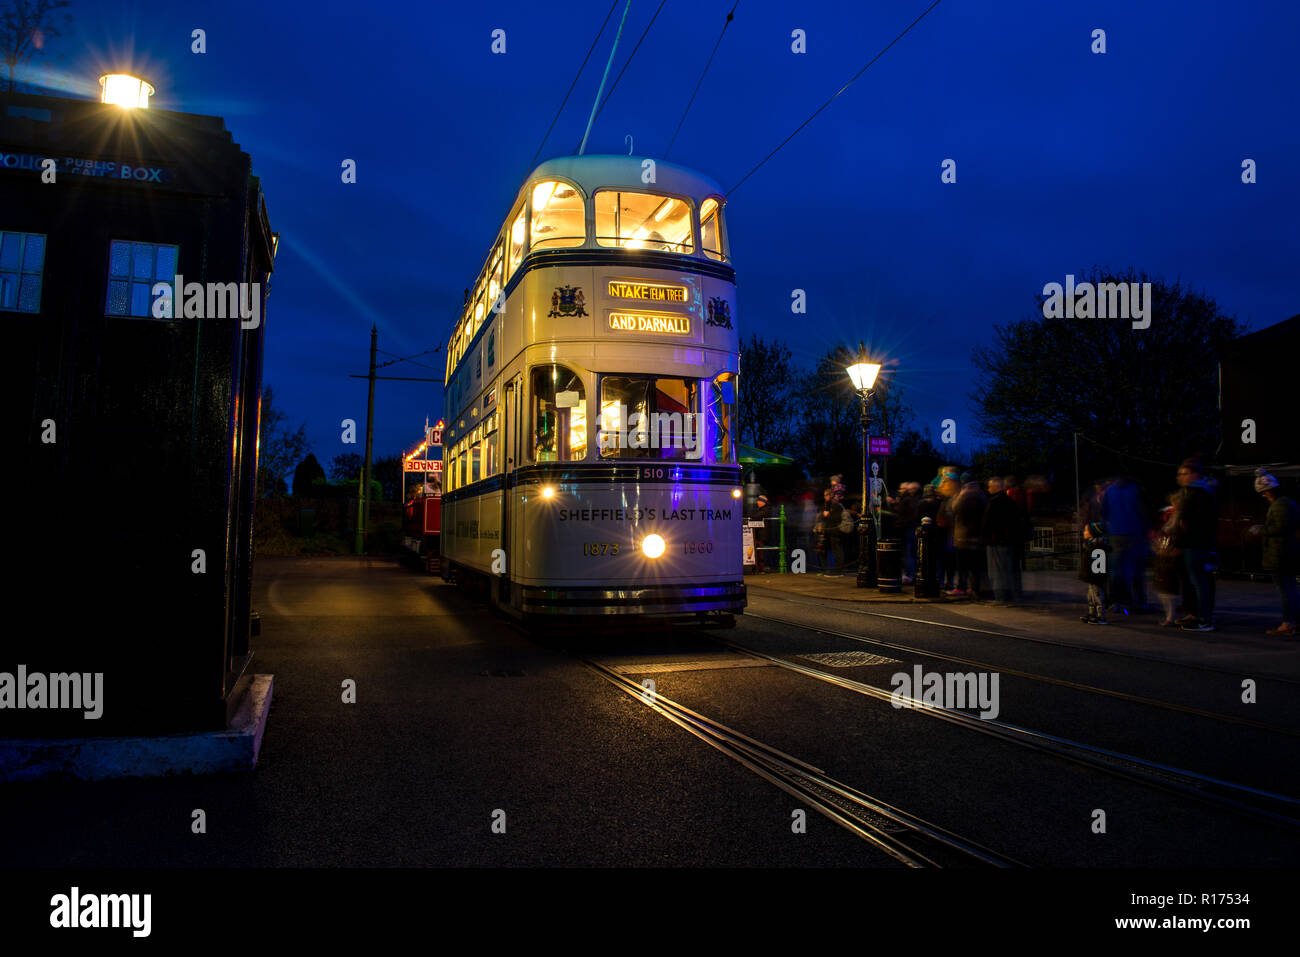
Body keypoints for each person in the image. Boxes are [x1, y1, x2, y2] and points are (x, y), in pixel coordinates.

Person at [1173, 458, 1217, 631]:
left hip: (1196, 544)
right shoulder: (1196, 492)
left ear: (1195, 474)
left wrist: (1180, 538)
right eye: (1180, 474)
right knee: (1193, 581)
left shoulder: (1198, 494)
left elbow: (1189, 521)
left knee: (1199, 581)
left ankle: (1204, 618)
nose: (1180, 477)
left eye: (1184, 474)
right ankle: (1195, 613)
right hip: (1194, 543)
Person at [1255, 470, 1300, 635]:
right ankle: (1294, 621)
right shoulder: (1286, 503)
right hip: (1286, 551)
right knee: (1290, 588)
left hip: (1280, 552)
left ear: (1269, 490)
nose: (1263, 496)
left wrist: (1262, 530)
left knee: (1285, 589)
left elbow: (1281, 527)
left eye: (1263, 492)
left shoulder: (1281, 505)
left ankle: (1288, 623)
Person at [1101, 475, 1148, 614]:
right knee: (1135, 569)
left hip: (1116, 532)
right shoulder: (1135, 489)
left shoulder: (1110, 491)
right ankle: (1139, 602)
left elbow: (1104, 512)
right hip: (1134, 532)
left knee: (1117, 570)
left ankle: (1118, 601)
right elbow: (1142, 511)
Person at [982, 477, 1024, 604]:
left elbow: (988, 523)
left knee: (997, 571)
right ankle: (1014, 595)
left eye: (990, 486)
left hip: (997, 541)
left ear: (996, 487)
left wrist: (987, 535)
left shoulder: (994, 502)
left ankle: (1000, 596)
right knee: (1010, 569)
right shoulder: (1010, 501)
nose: (988, 489)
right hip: (1010, 540)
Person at [950, 475, 987, 597]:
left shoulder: (966, 496)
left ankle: (964, 587)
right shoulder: (982, 496)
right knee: (973, 566)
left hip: (964, 536)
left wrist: (961, 494)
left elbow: (954, 508)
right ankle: (974, 588)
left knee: (964, 566)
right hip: (975, 537)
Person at [1079, 480, 1110, 624]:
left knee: (1096, 584)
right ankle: (1092, 611)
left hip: (1098, 549)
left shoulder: (1104, 506)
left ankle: (1100, 613)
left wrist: (1091, 530)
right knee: (1091, 585)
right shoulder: (1093, 503)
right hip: (1093, 547)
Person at [1152, 493, 1182, 626]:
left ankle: (1171, 616)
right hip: (1165, 551)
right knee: (1164, 586)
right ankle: (1170, 614)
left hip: (1171, 552)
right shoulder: (1170, 515)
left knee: (1168, 587)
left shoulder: (1178, 516)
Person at [817, 489, 845, 576]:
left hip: (834, 531)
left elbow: (836, 518)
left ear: (830, 495)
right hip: (827, 531)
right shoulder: (827, 505)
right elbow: (823, 517)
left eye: (826, 495)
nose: (825, 497)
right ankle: (824, 569)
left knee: (837, 550)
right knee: (823, 550)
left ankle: (838, 570)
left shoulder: (836, 505)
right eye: (825, 495)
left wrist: (827, 514)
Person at [752, 494, 771, 573]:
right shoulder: (763, 509)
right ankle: (759, 567)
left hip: (762, 533)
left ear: (763, 502)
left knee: (760, 551)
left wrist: (749, 517)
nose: (757, 502)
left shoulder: (765, 510)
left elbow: (756, 516)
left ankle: (761, 568)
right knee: (759, 551)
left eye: (759, 501)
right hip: (760, 533)